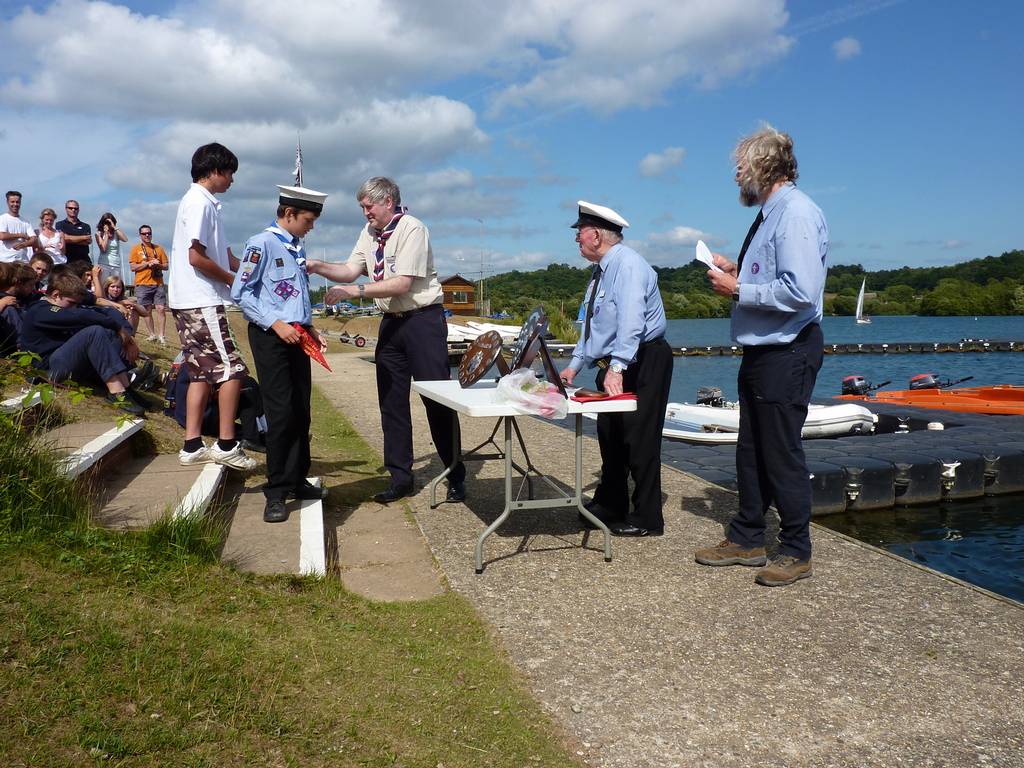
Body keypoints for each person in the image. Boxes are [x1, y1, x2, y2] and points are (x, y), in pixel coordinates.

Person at [694, 125, 828, 587]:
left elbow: (801, 291)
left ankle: (796, 550)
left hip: (787, 351)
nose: (736, 175)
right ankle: (748, 536)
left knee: (780, 452)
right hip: (764, 351)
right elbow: (775, 274)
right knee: (751, 450)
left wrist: (738, 289)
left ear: (764, 167)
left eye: (741, 166)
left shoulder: (794, 214)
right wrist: (736, 269)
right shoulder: (771, 214)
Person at [307, 176, 465, 504]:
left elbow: (402, 283)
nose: (365, 213)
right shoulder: (369, 234)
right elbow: (352, 269)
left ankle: (455, 474)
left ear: (388, 201)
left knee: (436, 399)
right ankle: (400, 477)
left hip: (422, 322)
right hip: (391, 324)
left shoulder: (412, 229)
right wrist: (317, 266)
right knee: (390, 402)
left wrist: (355, 291)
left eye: (369, 206)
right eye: (362, 207)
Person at [558, 201, 672, 537]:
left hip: (643, 359)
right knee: (610, 435)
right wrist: (575, 366)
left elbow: (631, 322)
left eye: (579, 233)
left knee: (639, 439)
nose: (577, 239)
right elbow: (594, 327)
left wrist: (618, 366)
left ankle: (648, 518)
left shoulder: (629, 266)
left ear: (595, 235)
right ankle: (611, 503)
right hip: (617, 362)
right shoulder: (601, 272)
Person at [232, 185, 329, 522]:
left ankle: (297, 478)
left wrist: (310, 327)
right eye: (308, 219)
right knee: (280, 412)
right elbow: (241, 294)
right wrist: (276, 324)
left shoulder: (295, 246)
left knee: (301, 410)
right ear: (289, 214)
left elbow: (296, 296)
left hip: (297, 335)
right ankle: (276, 491)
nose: (311, 226)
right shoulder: (261, 244)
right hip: (271, 336)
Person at [168, 142, 256, 471]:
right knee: (232, 369)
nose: (232, 179)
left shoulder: (205, 204)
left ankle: (192, 444)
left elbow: (225, 256)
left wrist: (246, 271)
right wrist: (231, 280)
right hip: (201, 298)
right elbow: (197, 257)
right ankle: (226, 443)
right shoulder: (199, 203)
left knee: (200, 374)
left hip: (187, 300)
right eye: (230, 172)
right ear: (216, 170)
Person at [18, 271, 145, 416]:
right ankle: (117, 392)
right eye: (71, 303)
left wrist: (122, 335)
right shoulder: (39, 310)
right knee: (94, 332)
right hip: (46, 371)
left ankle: (126, 388)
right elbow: (81, 316)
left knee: (108, 333)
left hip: (62, 362)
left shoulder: (59, 306)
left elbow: (96, 312)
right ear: (55, 295)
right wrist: (120, 328)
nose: (74, 308)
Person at [129, 224, 169, 343]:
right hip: (142, 283)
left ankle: (162, 335)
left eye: (149, 233)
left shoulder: (159, 249)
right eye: (144, 233)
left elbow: (166, 266)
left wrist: (158, 265)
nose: (147, 235)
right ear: (140, 235)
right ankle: (152, 334)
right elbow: (132, 267)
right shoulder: (135, 249)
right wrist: (147, 264)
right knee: (146, 311)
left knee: (161, 308)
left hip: (158, 283)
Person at [92, 267, 147, 332]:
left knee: (133, 311)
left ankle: (130, 335)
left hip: (120, 326)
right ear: (107, 287)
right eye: (112, 287)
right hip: (105, 325)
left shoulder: (123, 298)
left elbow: (145, 313)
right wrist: (120, 304)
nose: (115, 290)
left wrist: (133, 304)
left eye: (118, 287)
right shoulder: (103, 297)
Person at [0, 191, 37, 264]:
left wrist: (24, 244)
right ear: (7, 202)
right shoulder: (2, 218)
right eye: (12, 202)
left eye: (17, 202)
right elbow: (2, 236)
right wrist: (21, 235)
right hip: (6, 261)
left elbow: (34, 239)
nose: (15, 204)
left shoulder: (26, 222)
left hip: (22, 261)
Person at [57, 200, 92, 267]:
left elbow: (88, 241)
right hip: (67, 262)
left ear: (78, 210)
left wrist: (68, 238)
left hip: (84, 262)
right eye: (70, 208)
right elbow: (63, 239)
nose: (73, 210)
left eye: (76, 208)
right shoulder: (60, 224)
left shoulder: (86, 226)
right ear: (66, 209)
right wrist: (83, 237)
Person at [95, 212, 128, 283]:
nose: (108, 224)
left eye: (109, 222)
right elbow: (103, 248)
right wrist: (106, 233)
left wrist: (114, 227)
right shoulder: (99, 233)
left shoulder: (116, 233)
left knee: (116, 284)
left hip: (116, 264)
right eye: (106, 222)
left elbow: (125, 239)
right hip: (104, 264)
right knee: (104, 285)